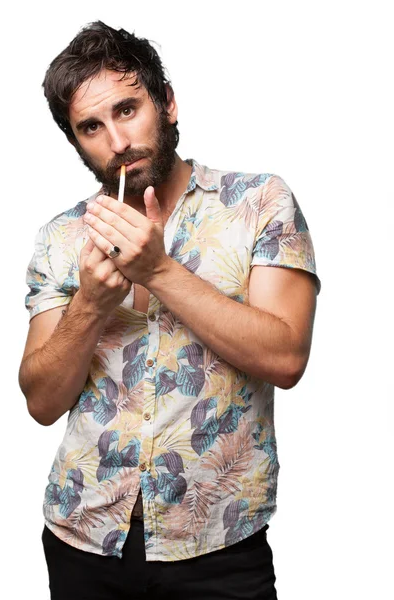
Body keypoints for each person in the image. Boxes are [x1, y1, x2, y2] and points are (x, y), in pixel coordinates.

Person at [19, 20, 321, 600]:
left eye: (128, 109)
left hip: (216, 545)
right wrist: (90, 304)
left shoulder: (259, 203)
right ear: (77, 142)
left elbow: (286, 358)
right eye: (91, 127)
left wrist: (158, 271)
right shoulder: (61, 238)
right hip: (83, 536)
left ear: (168, 103)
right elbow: (41, 400)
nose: (117, 141)